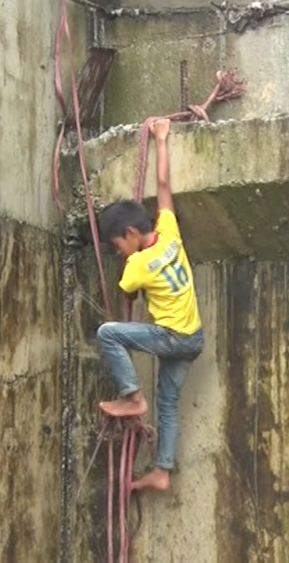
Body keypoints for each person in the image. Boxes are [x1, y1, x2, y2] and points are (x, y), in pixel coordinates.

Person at [95, 118, 204, 492]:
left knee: (108, 333)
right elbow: (163, 187)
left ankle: (132, 397)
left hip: (172, 336)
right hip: (193, 336)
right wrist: (162, 139)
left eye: (116, 246)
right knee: (169, 401)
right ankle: (161, 472)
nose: (117, 253)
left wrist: (128, 263)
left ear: (129, 234)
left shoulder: (137, 265)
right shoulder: (170, 233)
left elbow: (126, 290)